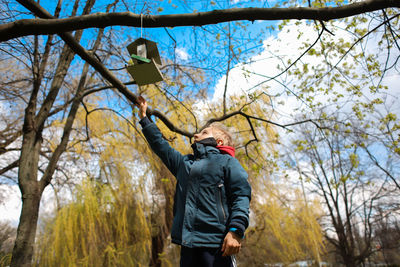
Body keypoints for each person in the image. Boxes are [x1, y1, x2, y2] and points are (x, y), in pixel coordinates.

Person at [136, 96, 251, 267]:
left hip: (217, 244)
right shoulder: (185, 164)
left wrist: (236, 230)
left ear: (218, 142)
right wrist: (145, 118)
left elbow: (241, 195)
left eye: (204, 132)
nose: (196, 134)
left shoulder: (228, 162)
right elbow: (161, 146)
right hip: (188, 245)